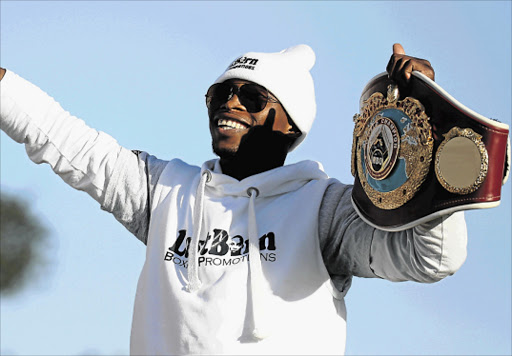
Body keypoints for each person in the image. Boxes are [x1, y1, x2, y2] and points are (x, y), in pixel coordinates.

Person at [0, 43, 467, 355]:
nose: (231, 103)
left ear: (292, 125)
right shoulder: (165, 191)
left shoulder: (324, 211)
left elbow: (432, 259)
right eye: (219, 93)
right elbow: (67, 141)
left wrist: (432, 121)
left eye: (253, 96)